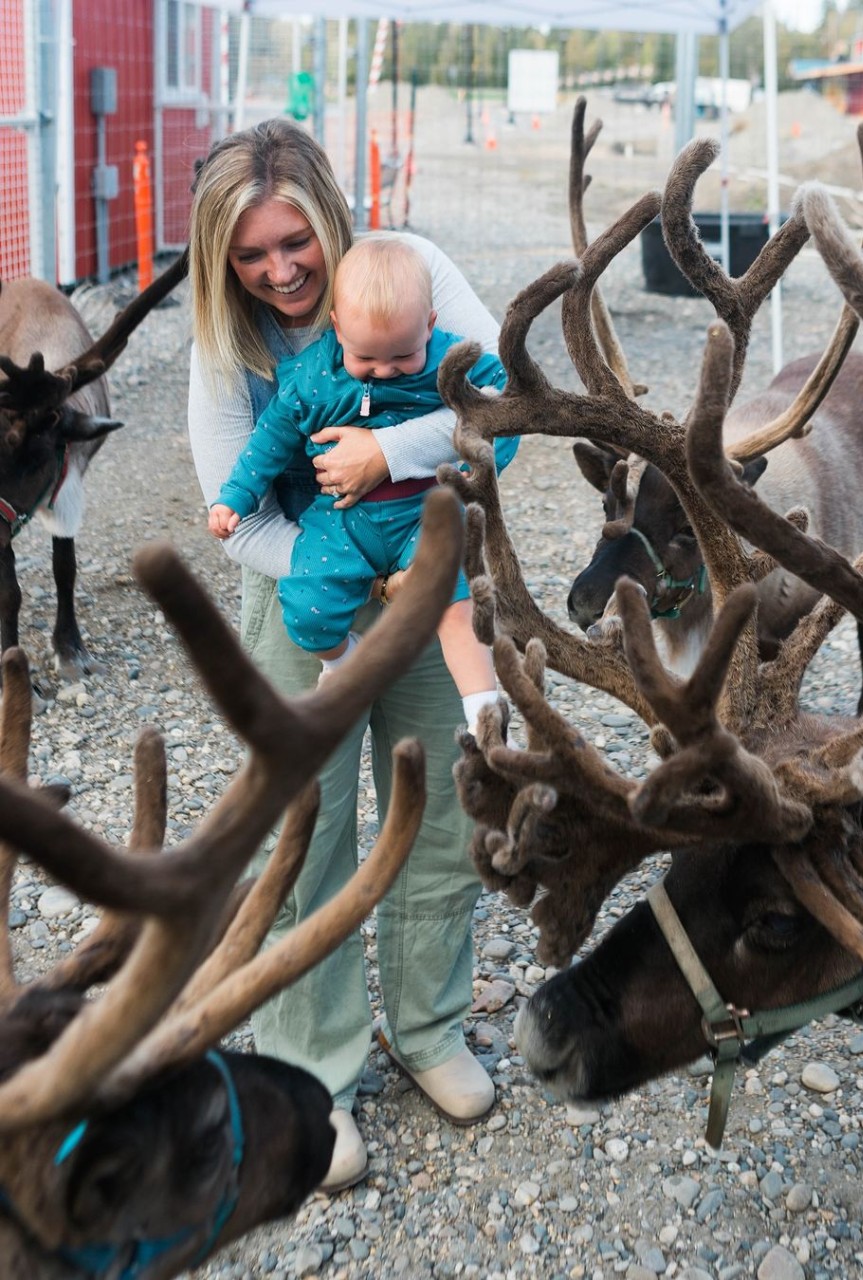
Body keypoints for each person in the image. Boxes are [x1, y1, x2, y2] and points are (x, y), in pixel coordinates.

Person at [187, 117, 508, 1193]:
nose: (278, 270)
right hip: (300, 593)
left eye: (294, 243)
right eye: (249, 253)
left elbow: (498, 404)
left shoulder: (414, 271)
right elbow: (232, 490)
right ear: (221, 259)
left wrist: (388, 451)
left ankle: (427, 1027)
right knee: (305, 828)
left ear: (329, 219)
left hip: (426, 569)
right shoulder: (225, 342)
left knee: (435, 809)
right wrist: (341, 574)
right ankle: (310, 1066)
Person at [207, 234, 518, 738]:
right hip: (340, 520)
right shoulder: (313, 377)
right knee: (307, 611)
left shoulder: (450, 361)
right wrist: (233, 498)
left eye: (402, 356)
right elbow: (269, 441)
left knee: (455, 603)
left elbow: (504, 408)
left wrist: (475, 475)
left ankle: (484, 710)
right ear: (335, 329)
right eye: (367, 360)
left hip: (425, 510)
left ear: (430, 326)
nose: (385, 370)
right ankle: (343, 662)